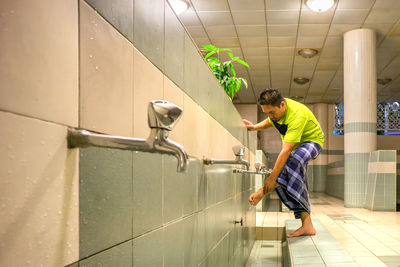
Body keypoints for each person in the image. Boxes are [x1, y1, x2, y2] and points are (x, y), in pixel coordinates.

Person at [244, 88, 324, 237]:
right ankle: (307, 225)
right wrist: (254, 127)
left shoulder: (297, 115)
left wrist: (272, 178)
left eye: (271, 112)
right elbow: (270, 122)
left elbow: (286, 151)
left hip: (313, 141)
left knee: (292, 160)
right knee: (294, 174)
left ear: (282, 105)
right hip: (297, 148)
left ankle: (263, 191)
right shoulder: (276, 114)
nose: (270, 116)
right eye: (266, 112)